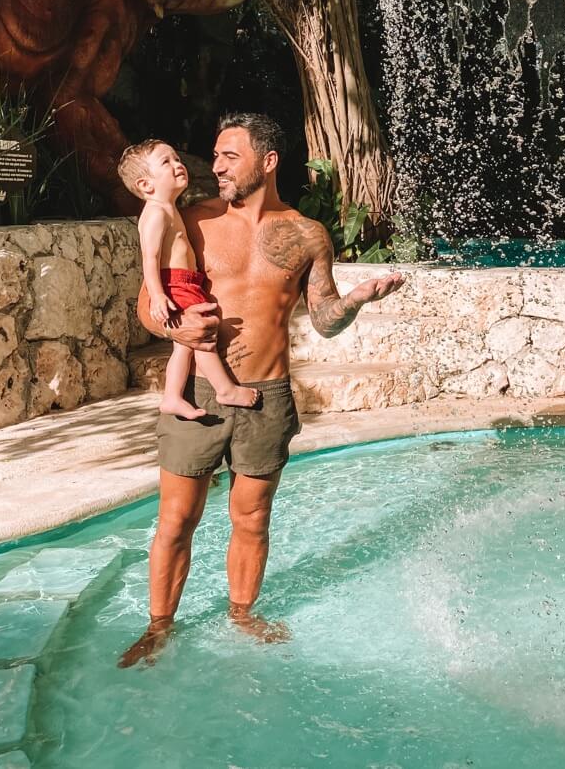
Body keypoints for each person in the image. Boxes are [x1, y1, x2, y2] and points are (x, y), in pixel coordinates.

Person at [118, 113, 404, 668]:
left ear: (267, 162)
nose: (215, 167)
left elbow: (324, 318)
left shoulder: (307, 234)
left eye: (229, 156)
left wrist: (360, 297)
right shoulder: (192, 221)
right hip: (201, 389)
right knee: (177, 519)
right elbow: (148, 305)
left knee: (252, 517)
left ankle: (242, 615)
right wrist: (173, 328)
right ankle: (158, 627)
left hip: (267, 394)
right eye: (216, 156)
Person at [117, 139, 260, 421]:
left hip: (186, 282)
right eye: (166, 162)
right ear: (146, 185)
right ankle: (225, 389)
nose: (177, 164)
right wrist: (158, 295)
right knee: (200, 339)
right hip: (177, 283)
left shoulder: (169, 208)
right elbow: (150, 258)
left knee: (183, 347)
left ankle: (172, 396)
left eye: (176, 159)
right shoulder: (156, 212)